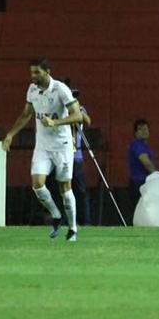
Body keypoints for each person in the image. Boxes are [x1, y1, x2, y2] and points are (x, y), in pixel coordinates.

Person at [0, 57, 84, 241]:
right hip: (43, 146)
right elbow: (26, 115)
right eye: (31, 72)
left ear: (47, 71)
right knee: (37, 184)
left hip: (62, 146)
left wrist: (55, 122)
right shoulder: (32, 90)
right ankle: (56, 215)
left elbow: (78, 116)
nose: (33, 76)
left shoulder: (60, 89)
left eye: (37, 72)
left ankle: (73, 228)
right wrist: (10, 134)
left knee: (65, 187)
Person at [66, 82, 92, 225]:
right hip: (63, 156)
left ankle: (85, 221)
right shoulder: (60, 111)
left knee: (81, 191)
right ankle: (67, 221)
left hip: (77, 157)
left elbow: (88, 121)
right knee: (64, 190)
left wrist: (78, 111)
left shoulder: (80, 109)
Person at [127, 117, 158, 222]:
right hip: (139, 183)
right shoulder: (137, 145)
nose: (145, 131)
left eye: (146, 129)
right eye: (141, 129)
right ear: (136, 133)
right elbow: (147, 163)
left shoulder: (145, 146)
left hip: (144, 182)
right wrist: (157, 175)